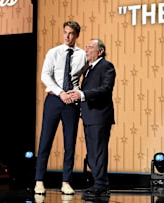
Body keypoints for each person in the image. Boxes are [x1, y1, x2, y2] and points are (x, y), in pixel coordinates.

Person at [34, 20, 87, 195]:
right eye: (65, 32)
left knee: (69, 143)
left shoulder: (82, 55)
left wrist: (76, 93)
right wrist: (60, 92)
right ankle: (39, 181)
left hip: (71, 102)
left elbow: (85, 79)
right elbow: (45, 76)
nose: (67, 36)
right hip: (54, 99)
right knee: (45, 141)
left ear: (77, 35)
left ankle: (66, 182)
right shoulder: (54, 52)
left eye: (71, 33)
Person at [70, 38, 116, 198]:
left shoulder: (106, 66)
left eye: (90, 47)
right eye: (86, 47)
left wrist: (83, 95)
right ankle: (98, 183)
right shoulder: (89, 69)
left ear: (100, 51)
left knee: (98, 152)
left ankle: (101, 185)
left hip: (100, 116)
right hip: (90, 116)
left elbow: (105, 89)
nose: (86, 50)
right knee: (92, 153)